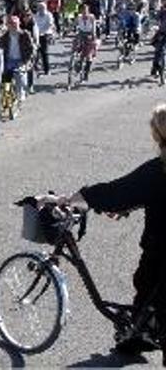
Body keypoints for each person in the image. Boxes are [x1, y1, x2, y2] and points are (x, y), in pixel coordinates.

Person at [49, 104, 166, 361]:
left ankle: (140, 334)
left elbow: (117, 191)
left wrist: (76, 198)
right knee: (146, 295)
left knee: (149, 286)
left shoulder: (158, 169)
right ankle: (135, 337)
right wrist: (131, 205)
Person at [0, 16, 34, 102]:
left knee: (20, 75)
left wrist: (28, 60)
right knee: (6, 79)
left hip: (21, 59)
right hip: (9, 60)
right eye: (10, 24)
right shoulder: (4, 36)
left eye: (15, 24)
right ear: (7, 26)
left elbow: (31, 48)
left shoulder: (25, 34)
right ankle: (7, 97)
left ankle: (21, 92)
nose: (13, 26)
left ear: (19, 24)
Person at [76, 4, 99, 81]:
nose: (84, 12)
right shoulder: (79, 17)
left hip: (90, 34)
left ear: (88, 11)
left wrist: (93, 35)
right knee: (77, 47)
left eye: (85, 10)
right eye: (83, 10)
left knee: (88, 55)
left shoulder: (91, 17)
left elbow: (94, 27)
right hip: (81, 33)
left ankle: (86, 73)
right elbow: (76, 25)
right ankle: (77, 62)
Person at [33, 3, 55, 76]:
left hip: (46, 33)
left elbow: (49, 24)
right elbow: (34, 24)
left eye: (42, 8)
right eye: (39, 8)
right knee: (35, 51)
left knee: (44, 52)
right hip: (37, 33)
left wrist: (42, 32)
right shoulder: (36, 15)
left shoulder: (49, 15)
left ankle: (47, 70)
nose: (40, 9)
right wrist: (36, 33)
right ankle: (35, 65)